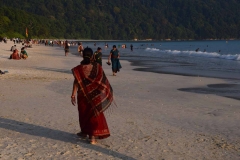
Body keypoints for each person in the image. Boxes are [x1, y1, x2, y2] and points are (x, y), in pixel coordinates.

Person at [71, 47, 114, 144]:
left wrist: (73, 94)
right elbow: (103, 81)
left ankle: (90, 135)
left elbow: (76, 82)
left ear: (82, 55)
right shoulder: (97, 67)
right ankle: (89, 135)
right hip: (95, 94)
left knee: (84, 114)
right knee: (94, 114)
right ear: (92, 56)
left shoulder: (79, 69)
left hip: (83, 94)